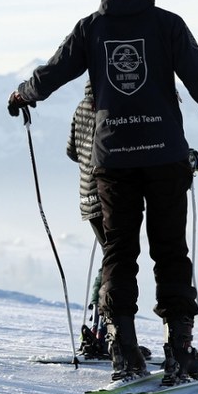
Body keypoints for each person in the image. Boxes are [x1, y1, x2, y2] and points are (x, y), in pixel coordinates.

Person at [7, 0, 198, 385]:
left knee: (118, 253)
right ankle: (179, 356)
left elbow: (52, 73)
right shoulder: (168, 24)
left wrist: (22, 94)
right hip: (166, 157)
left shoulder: (90, 28)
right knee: (170, 252)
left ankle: (124, 355)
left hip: (112, 161)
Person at [66, 80, 112, 360]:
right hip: (107, 192)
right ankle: (104, 334)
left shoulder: (80, 107)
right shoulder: (109, 108)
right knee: (116, 261)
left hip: (86, 195)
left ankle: (100, 332)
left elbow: (72, 151)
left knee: (111, 258)